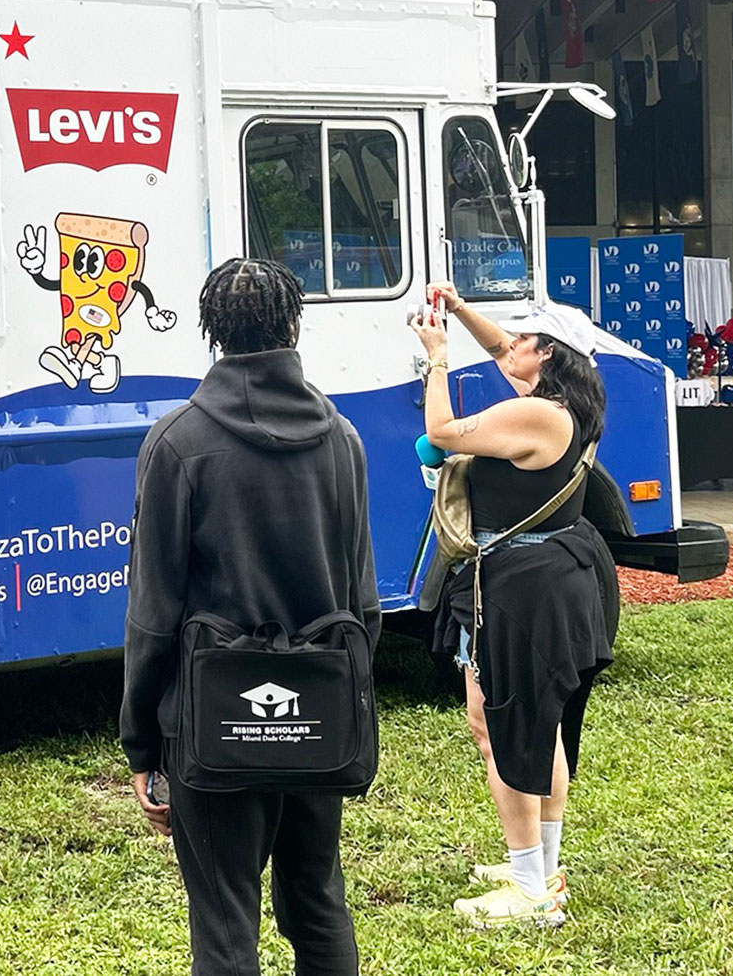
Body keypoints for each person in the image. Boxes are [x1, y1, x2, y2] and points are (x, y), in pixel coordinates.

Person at [120, 258, 373, 976]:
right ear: (294, 325)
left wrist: (144, 743)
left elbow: (153, 612)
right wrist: (339, 700)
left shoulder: (178, 443)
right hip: (319, 718)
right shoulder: (343, 440)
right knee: (318, 902)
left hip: (213, 723)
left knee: (226, 925)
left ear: (211, 333)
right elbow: (362, 602)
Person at [411, 283, 615, 929]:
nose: (507, 345)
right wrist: (460, 308)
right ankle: (540, 867)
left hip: (523, 590)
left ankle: (530, 891)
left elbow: (440, 431)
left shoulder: (536, 416)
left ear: (549, 355)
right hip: (548, 577)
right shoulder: (566, 404)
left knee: (507, 729)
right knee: (526, 723)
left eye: (524, 339)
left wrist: (436, 355)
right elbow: (504, 347)